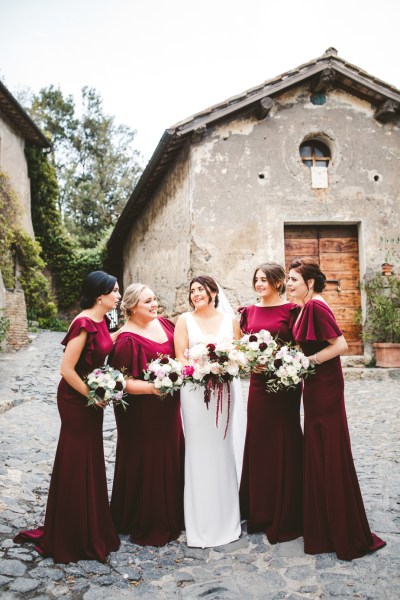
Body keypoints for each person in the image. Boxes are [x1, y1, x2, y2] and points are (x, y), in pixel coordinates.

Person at [14, 271, 121, 563]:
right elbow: (66, 369)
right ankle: (71, 533)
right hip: (76, 398)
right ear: (100, 295)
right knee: (77, 459)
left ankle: (90, 525)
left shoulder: (103, 321)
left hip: (91, 397)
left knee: (90, 458)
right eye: (115, 291)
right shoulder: (83, 322)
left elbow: (103, 346)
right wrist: (92, 394)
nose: (119, 296)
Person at [287, 257, 386, 561]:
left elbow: (341, 345)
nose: (289, 284)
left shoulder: (317, 306)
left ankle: (339, 528)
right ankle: (324, 522)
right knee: (319, 449)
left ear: (311, 283)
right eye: (288, 279)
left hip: (325, 386)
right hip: (316, 385)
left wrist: (309, 362)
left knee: (327, 448)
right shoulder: (307, 306)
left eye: (293, 279)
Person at [108, 283, 184, 546]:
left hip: (168, 409)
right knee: (148, 457)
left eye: (154, 299)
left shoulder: (165, 324)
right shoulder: (126, 340)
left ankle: (173, 511)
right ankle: (146, 516)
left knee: (170, 453)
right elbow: (121, 383)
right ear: (130, 308)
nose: (154, 305)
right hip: (141, 414)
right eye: (147, 302)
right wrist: (157, 387)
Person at [174, 275, 242, 548]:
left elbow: (238, 354)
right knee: (198, 452)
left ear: (213, 292)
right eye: (192, 291)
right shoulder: (184, 320)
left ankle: (226, 519)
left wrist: (223, 366)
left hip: (225, 391)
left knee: (222, 449)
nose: (195, 294)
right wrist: (198, 369)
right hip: (194, 392)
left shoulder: (231, 321)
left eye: (200, 289)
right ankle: (199, 523)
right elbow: (180, 355)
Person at [239, 263, 303, 544]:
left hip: (285, 385)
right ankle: (261, 509)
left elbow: (300, 348)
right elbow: (239, 347)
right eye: (257, 279)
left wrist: (283, 363)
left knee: (284, 438)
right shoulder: (248, 312)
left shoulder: (292, 311)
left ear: (278, 283)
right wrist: (248, 362)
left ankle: (289, 508)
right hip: (258, 386)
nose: (259, 284)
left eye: (265, 279)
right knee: (260, 441)